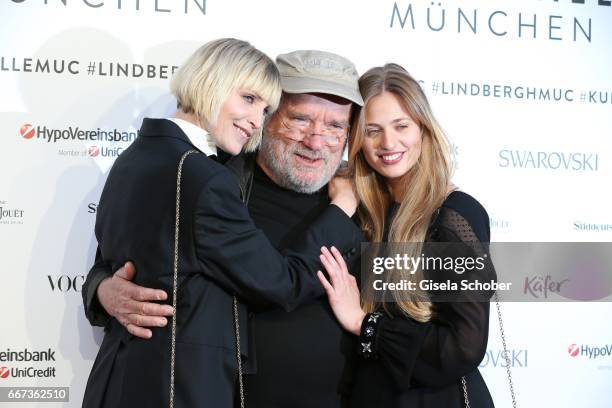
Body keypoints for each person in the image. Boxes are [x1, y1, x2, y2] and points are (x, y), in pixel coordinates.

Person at [81, 41, 363, 408]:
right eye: (299, 118)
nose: (315, 140)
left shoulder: (369, 200)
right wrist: (104, 290)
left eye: (334, 126)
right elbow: (281, 283)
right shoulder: (214, 177)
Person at [317, 63, 496, 407]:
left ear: (423, 129)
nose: (388, 143)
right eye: (372, 130)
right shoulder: (362, 210)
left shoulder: (454, 215)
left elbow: (463, 346)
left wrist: (362, 323)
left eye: (401, 126)